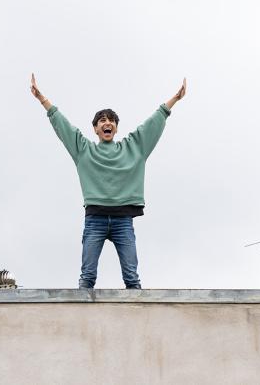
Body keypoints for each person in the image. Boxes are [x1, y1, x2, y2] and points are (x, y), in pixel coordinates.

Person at [30, 73, 186, 289]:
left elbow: (152, 124)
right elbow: (63, 126)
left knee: (132, 278)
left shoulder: (134, 148)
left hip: (124, 220)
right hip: (95, 219)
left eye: (111, 121)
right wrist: (42, 99)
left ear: (116, 128)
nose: (107, 123)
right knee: (87, 278)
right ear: (95, 128)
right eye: (102, 120)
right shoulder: (84, 150)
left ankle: (138, 318)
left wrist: (174, 100)